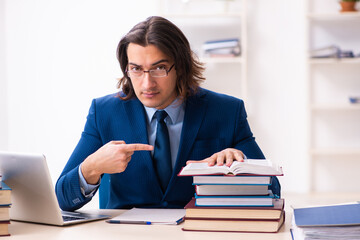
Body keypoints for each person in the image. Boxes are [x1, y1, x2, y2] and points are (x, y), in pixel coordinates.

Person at [55, 16, 280, 211]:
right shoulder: (104, 112)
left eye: (159, 68)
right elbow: (62, 198)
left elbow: (274, 191)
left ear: (180, 66)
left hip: (198, 232)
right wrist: (92, 167)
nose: (147, 83)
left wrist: (241, 166)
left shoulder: (226, 111)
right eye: (136, 69)